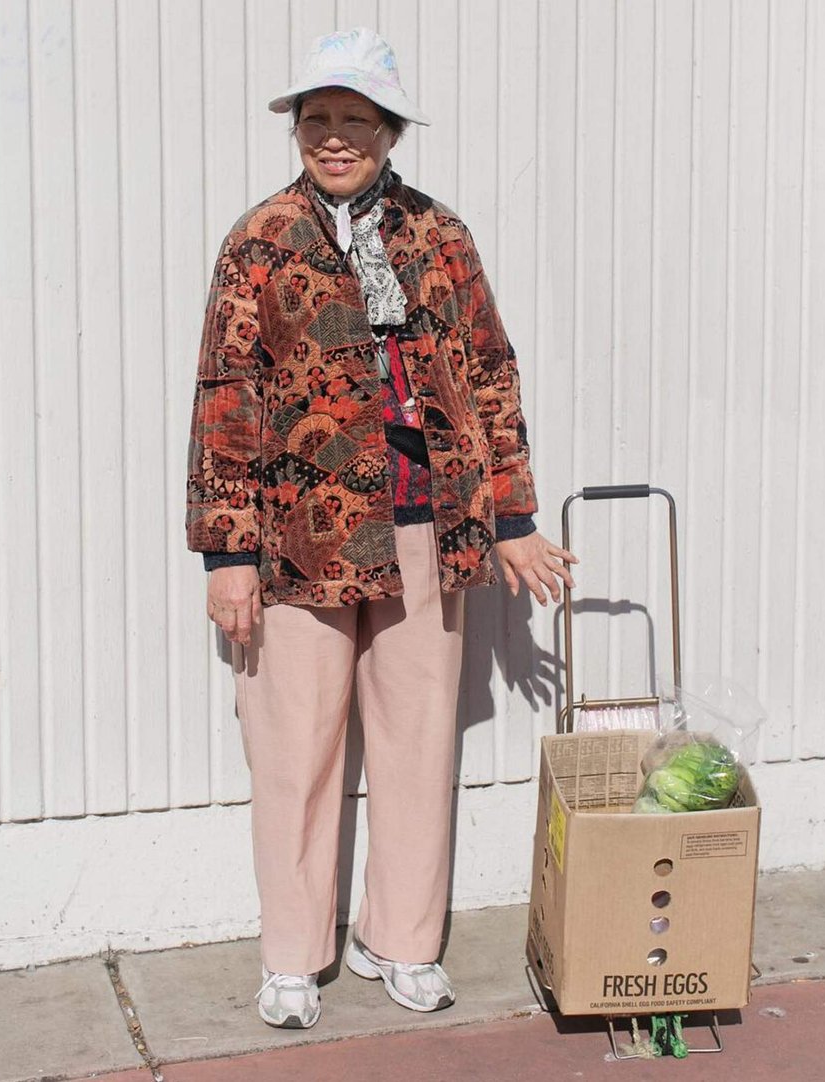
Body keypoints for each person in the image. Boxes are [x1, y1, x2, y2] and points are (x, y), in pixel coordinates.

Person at [186, 27, 576, 1029]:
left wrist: (514, 514)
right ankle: (292, 952)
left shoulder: (439, 234)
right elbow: (225, 396)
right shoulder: (261, 239)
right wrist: (227, 553)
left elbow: (487, 369)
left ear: (388, 130)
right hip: (295, 538)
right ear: (298, 130)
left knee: (413, 742)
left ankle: (399, 939)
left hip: (424, 524)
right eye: (317, 118)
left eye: (354, 119)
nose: (334, 136)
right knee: (294, 747)